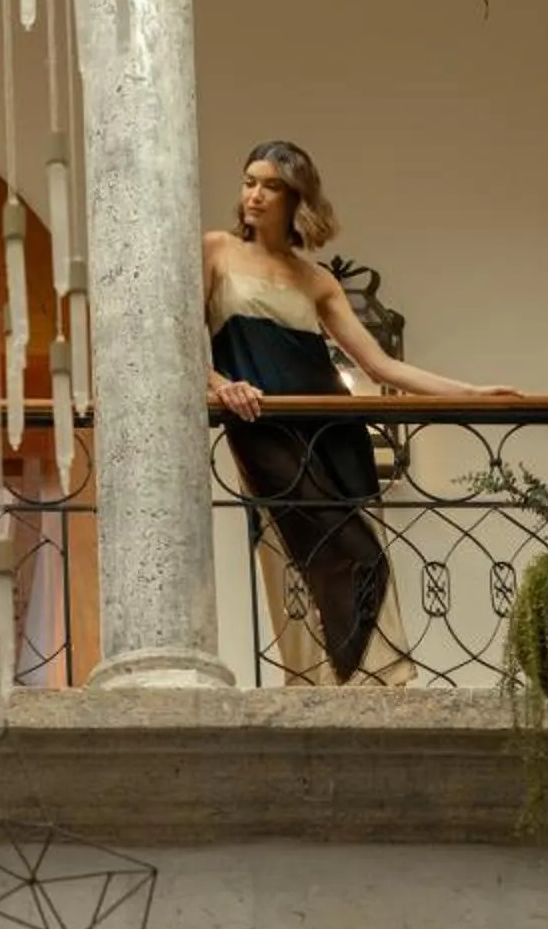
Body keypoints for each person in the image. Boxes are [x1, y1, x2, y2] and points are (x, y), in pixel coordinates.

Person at [206, 140, 516, 684]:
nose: (254, 195)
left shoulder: (317, 280)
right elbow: (176, 339)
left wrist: (469, 392)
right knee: (327, 551)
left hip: (332, 428)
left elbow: (380, 365)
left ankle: (359, 684)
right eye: (249, 182)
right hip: (261, 426)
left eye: (271, 186)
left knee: (367, 556)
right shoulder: (216, 250)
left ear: (296, 198)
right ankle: (328, 682)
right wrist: (219, 385)